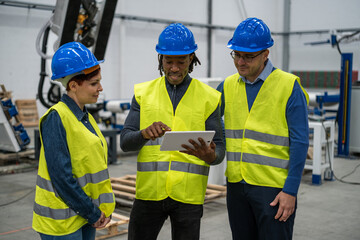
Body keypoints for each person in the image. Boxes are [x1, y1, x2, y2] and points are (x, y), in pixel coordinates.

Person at [120, 23, 225, 240]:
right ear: (161, 60)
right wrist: (144, 134)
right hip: (149, 194)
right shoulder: (143, 94)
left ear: (191, 59)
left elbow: (220, 149)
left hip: (188, 196)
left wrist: (211, 156)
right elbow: (125, 142)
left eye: (181, 61)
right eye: (169, 61)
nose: (174, 68)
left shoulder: (209, 97)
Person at [217, 18, 309, 240]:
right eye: (236, 55)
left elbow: (300, 141)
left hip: (273, 188)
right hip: (237, 186)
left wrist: (290, 191)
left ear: (265, 54)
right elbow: (205, 117)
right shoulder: (228, 86)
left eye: (248, 56)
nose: (241, 62)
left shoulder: (288, 86)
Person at [32, 42, 115, 239]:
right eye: (94, 83)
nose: (100, 88)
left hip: (85, 213)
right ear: (73, 85)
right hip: (62, 221)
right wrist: (93, 213)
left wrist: (99, 209)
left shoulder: (86, 117)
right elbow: (62, 177)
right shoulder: (56, 118)